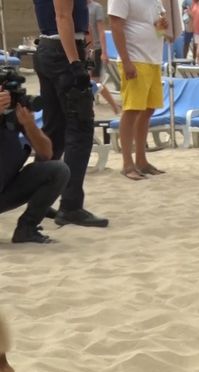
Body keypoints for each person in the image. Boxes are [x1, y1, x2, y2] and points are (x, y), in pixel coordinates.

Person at [32, 0, 108, 227]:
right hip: (61, 52)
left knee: (54, 130)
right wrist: (75, 62)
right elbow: (62, 16)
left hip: (49, 48)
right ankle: (71, 205)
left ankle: (39, 199)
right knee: (80, 128)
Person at [108, 0, 168, 181]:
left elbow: (156, 25)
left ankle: (141, 160)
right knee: (132, 109)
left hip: (153, 58)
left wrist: (161, 26)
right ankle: (127, 163)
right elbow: (116, 25)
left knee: (148, 109)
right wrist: (126, 61)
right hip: (135, 58)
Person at [0, 92, 70, 244]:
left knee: (58, 170)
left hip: (5, 191)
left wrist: (29, 124)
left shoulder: (12, 117)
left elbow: (46, 154)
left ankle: (26, 229)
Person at [87, 0, 120, 115]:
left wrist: (104, 52)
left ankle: (114, 106)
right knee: (89, 81)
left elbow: (101, 31)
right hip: (84, 49)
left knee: (95, 82)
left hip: (95, 49)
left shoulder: (96, 8)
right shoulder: (77, 7)